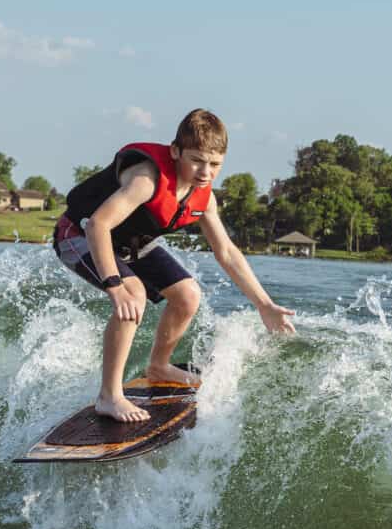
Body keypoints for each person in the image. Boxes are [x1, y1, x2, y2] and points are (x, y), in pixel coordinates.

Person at [53, 108, 298, 422]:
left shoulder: (205, 198)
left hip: (129, 242)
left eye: (214, 164)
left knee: (188, 295)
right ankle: (109, 396)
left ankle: (158, 366)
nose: (205, 172)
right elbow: (98, 225)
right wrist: (115, 285)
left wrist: (264, 304)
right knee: (134, 294)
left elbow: (226, 251)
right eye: (196, 160)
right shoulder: (145, 179)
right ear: (175, 151)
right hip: (78, 233)